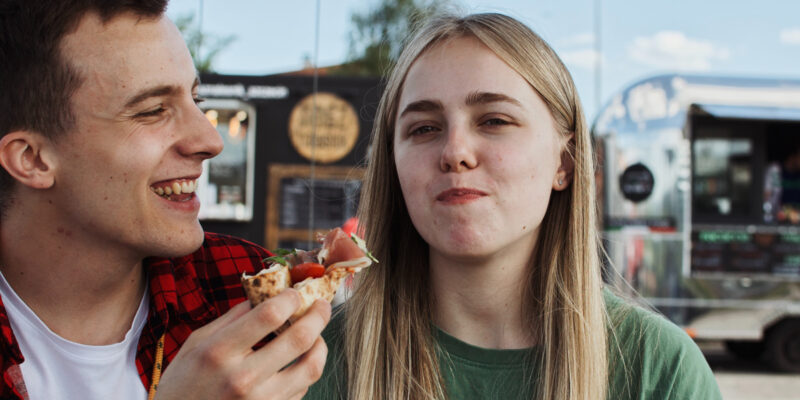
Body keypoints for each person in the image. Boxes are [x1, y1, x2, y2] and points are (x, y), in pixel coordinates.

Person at [305, 13, 722, 400]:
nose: (455, 152)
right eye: (424, 128)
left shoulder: (659, 370)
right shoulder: (309, 366)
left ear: (565, 162)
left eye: (494, 120)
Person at [0, 1, 329, 399]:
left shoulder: (246, 288)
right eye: (153, 110)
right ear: (32, 159)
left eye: (196, 101)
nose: (211, 142)